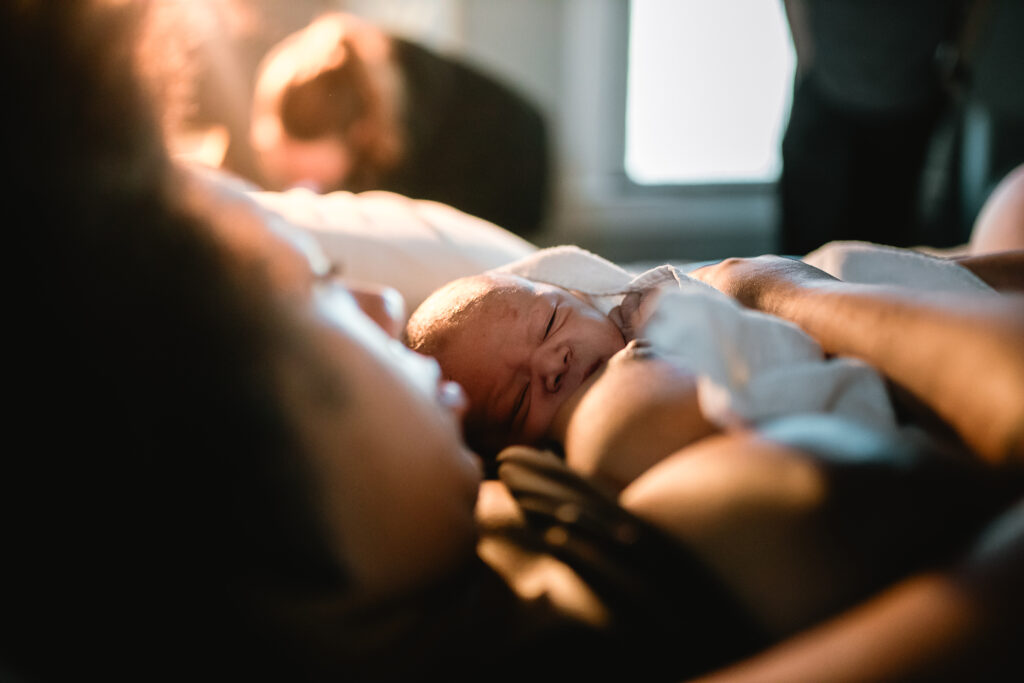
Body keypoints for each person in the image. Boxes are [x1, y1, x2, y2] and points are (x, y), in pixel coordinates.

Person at [250, 12, 549, 236]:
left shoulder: (422, 128)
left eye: (307, 176)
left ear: (358, 134)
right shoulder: (344, 84)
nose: (302, 187)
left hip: (515, 184)